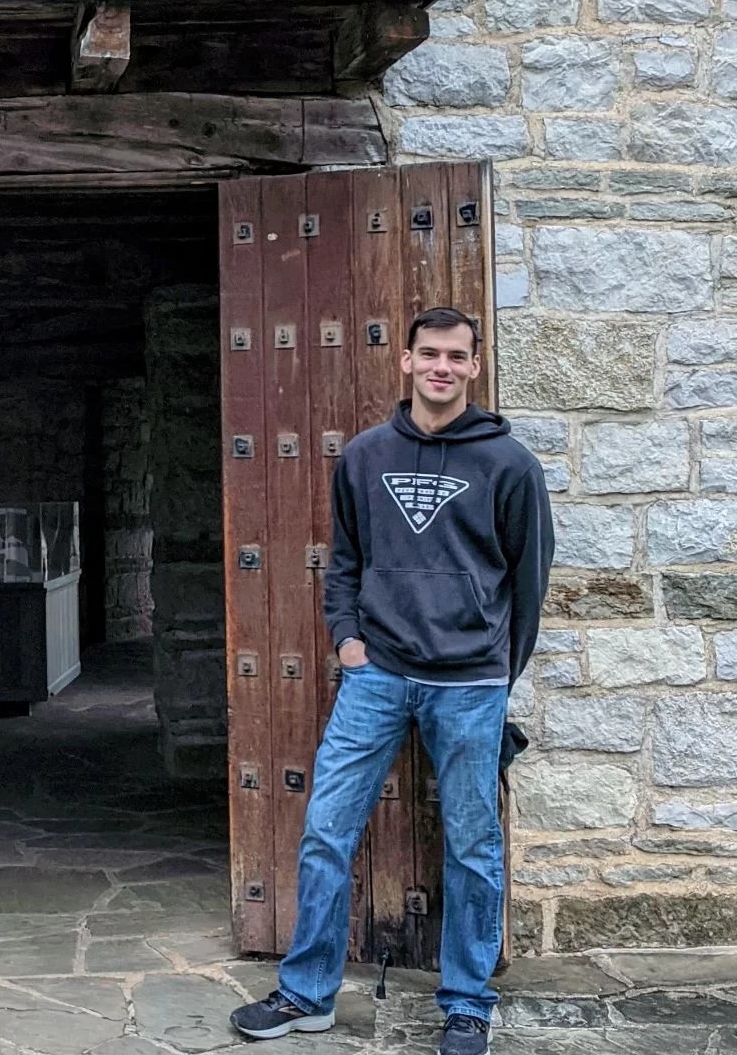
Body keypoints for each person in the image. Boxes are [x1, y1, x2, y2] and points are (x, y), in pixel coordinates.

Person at [230, 306, 552, 1055]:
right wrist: (347, 642)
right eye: (429, 354)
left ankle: (467, 1003)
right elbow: (343, 561)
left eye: (456, 356)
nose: (442, 367)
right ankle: (305, 993)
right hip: (377, 678)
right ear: (404, 362)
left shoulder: (510, 466)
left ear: (475, 366)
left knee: (473, 846)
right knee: (325, 832)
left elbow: (528, 585)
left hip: (470, 686)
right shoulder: (367, 457)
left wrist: (498, 676)